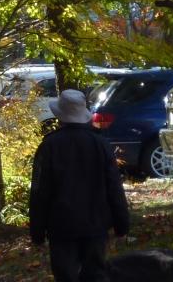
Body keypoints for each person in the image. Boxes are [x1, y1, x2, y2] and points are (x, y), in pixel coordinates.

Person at [29, 89, 130, 282]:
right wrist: (121, 224)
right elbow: (114, 187)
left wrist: (37, 232)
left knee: (65, 276)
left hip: (61, 226)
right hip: (96, 223)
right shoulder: (100, 144)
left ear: (60, 116)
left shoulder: (49, 146)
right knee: (95, 275)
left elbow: (40, 192)